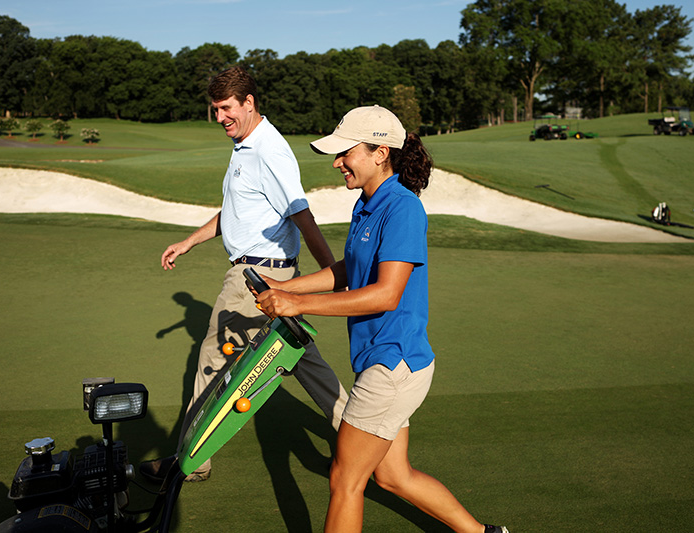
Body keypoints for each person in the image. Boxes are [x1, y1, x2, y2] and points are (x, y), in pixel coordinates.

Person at [254, 106, 509, 533]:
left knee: (345, 479)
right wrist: (285, 289)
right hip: (387, 361)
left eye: (345, 153)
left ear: (379, 153)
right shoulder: (366, 204)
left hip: (394, 364)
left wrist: (296, 306)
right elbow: (350, 271)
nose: (337, 163)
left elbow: (386, 294)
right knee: (392, 476)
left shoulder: (403, 209)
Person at [141, 66, 348, 483]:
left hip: (255, 279)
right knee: (303, 361)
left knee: (211, 362)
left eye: (225, 109)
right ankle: (362, 441)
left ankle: (189, 462)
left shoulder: (268, 150)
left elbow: (301, 215)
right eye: (215, 110)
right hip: (270, 274)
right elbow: (236, 212)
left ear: (249, 103)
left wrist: (332, 272)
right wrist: (189, 242)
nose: (219, 118)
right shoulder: (246, 148)